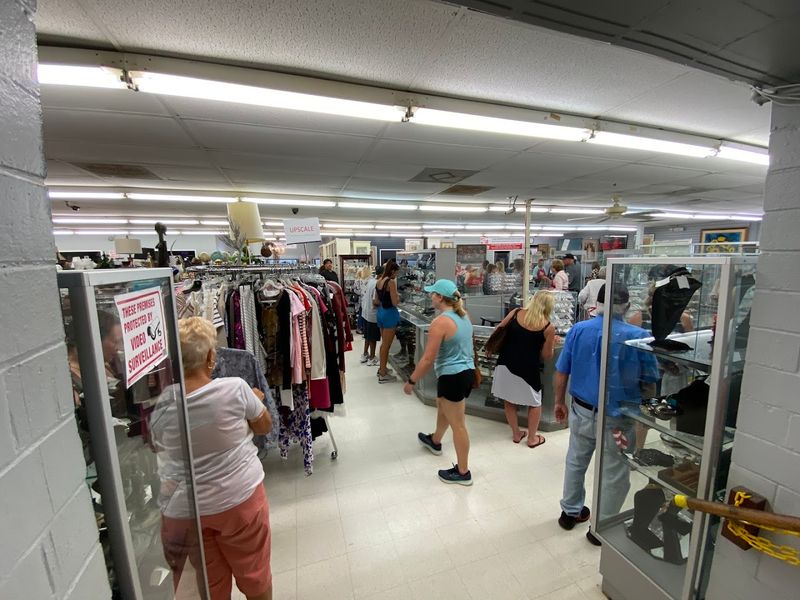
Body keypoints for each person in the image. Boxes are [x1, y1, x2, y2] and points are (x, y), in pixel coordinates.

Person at [159, 317, 273, 600]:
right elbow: (264, 425)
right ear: (211, 356)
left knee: (209, 586)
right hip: (239, 500)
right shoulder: (234, 388)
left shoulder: (163, 402)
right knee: (255, 576)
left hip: (187, 510)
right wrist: (254, 401)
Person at [553, 284, 659, 546]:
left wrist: (559, 402)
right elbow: (650, 381)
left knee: (576, 461)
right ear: (626, 306)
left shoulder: (578, 330)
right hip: (619, 419)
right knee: (614, 471)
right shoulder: (640, 336)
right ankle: (601, 525)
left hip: (581, 410)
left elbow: (562, 371)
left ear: (596, 305)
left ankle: (570, 512)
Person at [405, 280, 476, 486]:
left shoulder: (440, 322)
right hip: (465, 372)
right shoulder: (463, 316)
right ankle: (435, 441)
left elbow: (428, 358)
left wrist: (412, 381)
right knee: (443, 407)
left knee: (459, 425)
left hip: (452, 375)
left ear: (440, 297)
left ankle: (463, 472)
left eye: (432, 293)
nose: (430, 296)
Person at [491, 291, 555, 447]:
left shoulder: (516, 313)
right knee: (534, 403)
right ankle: (532, 438)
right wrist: (551, 341)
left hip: (505, 363)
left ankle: (516, 433)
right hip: (528, 369)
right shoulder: (548, 327)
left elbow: (499, 329)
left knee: (509, 398)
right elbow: (547, 355)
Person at [375, 261, 401, 383]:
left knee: (383, 344)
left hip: (380, 313)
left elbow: (376, 300)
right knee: (387, 345)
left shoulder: (379, 281)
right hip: (390, 314)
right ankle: (383, 373)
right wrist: (398, 297)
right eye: (396, 272)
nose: (396, 275)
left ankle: (382, 368)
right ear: (392, 271)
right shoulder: (390, 282)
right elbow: (395, 302)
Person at [360, 265, 383, 366]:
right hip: (373, 314)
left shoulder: (371, 281)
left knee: (367, 336)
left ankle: (365, 354)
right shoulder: (377, 284)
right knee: (373, 337)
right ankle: (372, 357)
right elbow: (375, 302)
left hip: (366, 312)